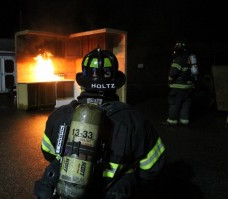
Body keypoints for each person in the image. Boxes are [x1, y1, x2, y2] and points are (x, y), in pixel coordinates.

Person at [34, 48, 166, 199]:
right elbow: (153, 168)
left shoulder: (59, 115)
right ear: (116, 84)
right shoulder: (135, 121)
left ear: (82, 83)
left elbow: (48, 152)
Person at [163, 41, 198, 126]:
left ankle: (172, 121)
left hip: (178, 87)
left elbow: (173, 73)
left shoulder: (179, 59)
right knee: (185, 104)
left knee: (174, 104)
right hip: (189, 87)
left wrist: (170, 81)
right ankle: (184, 121)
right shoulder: (191, 59)